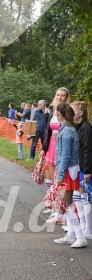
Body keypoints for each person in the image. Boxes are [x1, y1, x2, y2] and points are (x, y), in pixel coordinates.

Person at [53, 103, 87, 248]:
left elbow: (66, 155)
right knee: (67, 203)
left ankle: (79, 236)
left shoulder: (66, 131)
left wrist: (60, 174)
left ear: (59, 114)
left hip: (68, 170)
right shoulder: (68, 129)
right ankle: (72, 235)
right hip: (69, 169)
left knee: (66, 204)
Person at [40, 87, 70, 222]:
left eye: (63, 95)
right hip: (51, 145)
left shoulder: (68, 111)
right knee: (51, 178)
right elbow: (47, 131)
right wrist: (44, 148)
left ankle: (61, 210)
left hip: (61, 147)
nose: (60, 97)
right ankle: (53, 205)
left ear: (66, 97)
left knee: (60, 179)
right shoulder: (52, 111)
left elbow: (71, 128)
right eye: (58, 95)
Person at [70, 101, 92, 239]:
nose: (71, 114)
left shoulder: (86, 128)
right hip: (81, 167)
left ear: (80, 113)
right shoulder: (78, 127)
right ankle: (83, 225)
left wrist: (88, 170)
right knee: (79, 196)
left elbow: (88, 150)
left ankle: (89, 228)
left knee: (87, 198)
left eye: (73, 111)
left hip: (86, 168)